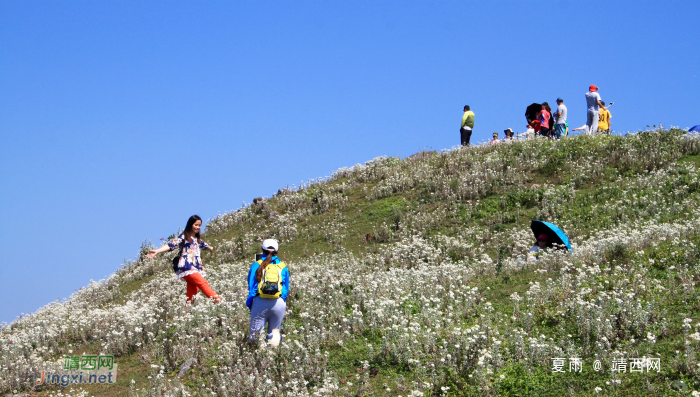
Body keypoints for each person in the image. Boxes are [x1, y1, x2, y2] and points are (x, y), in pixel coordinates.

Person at [147, 215, 221, 304]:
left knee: (192, 292)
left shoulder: (197, 239)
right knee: (203, 283)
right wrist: (157, 251)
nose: (198, 227)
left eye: (199, 225)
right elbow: (171, 245)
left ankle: (187, 313)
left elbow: (204, 245)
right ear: (190, 225)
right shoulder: (184, 237)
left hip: (196, 266)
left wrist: (211, 248)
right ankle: (219, 301)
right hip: (187, 266)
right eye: (195, 225)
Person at [247, 239, 290, 347]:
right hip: (278, 302)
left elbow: (251, 286)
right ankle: (272, 358)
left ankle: (258, 360)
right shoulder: (283, 266)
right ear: (277, 251)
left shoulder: (256, 265)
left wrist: (250, 303)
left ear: (262, 250)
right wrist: (282, 298)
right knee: (274, 334)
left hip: (260, 301)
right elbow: (286, 287)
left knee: (256, 336)